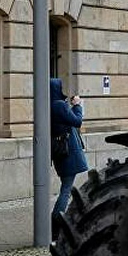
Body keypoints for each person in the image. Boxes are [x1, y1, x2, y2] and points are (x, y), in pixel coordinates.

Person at [50, 78, 87, 222]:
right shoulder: (59, 105)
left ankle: (57, 219)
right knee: (66, 189)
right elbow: (77, 121)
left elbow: (65, 120)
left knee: (66, 187)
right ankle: (56, 220)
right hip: (68, 152)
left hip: (60, 151)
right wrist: (77, 106)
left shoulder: (50, 104)